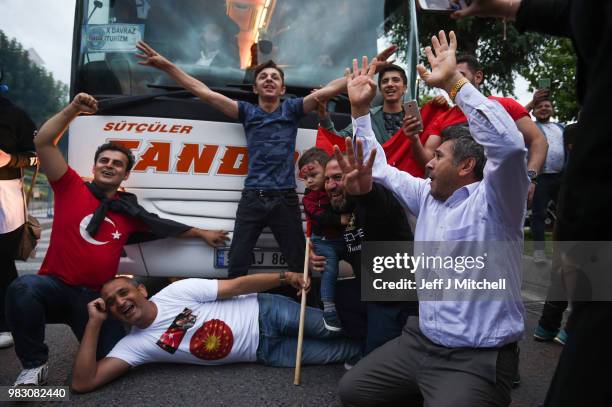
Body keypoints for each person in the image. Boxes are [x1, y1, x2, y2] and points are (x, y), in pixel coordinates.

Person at [337, 31, 528, 406]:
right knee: (353, 392)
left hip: (476, 358)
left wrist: (455, 84)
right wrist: (360, 111)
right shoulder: (427, 196)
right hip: (420, 342)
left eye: (438, 156)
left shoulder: (498, 203)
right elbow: (378, 168)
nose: (428, 161)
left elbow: (510, 146)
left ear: (467, 165)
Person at [6, 93, 229, 386]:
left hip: (98, 298)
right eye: (104, 161)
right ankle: (34, 365)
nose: (109, 165)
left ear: (125, 173)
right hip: (55, 286)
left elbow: (162, 226)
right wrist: (73, 110)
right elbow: (43, 142)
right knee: (23, 287)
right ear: (96, 166)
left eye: (117, 163)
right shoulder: (70, 186)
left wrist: (202, 233)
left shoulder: (128, 210)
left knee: (111, 358)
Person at [450, 4, 611, 406]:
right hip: (462, 216)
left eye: (462, 78)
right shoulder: (440, 110)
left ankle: (506, 359)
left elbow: (522, 144)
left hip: (526, 215)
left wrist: (531, 180)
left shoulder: (504, 106)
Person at [135, 41, 395, 281]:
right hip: (252, 199)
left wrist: (370, 68)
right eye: (263, 77)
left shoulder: (291, 109)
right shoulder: (246, 111)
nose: (269, 79)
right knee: (236, 266)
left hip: (284, 199)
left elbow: (330, 88)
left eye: (275, 77)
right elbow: (204, 93)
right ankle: (236, 315)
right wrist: (166, 65)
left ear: (282, 89)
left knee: (300, 265)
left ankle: (314, 316)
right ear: (255, 88)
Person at [70, 273, 361, 393]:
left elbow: (236, 286)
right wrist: (94, 323)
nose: (120, 302)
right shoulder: (134, 345)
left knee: (335, 327)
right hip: (266, 353)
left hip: (266, 312)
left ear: (141, 290)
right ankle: (390, 354)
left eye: (124, 292)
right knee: (346, 351)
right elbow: (83, 383)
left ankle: (394, 327)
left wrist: (285, 277)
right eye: (111, 303)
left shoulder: (176, 291)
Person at [425, 54, 547, 206]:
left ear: (478, 77)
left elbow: (538, 140)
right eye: (449, 75)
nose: (452, 80)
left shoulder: (505, 106)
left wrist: (530, 178)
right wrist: (413, 138)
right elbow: (428, 155)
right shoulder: (443, 118)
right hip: (452, 200)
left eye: (458, 76)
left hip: (499, 197)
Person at [319, 64, 447, 177]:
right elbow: (337, 139)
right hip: (375, 186)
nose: (390, 84)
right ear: (380, 88)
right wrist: (324, 116)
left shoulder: (418, 117)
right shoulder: (366, 117)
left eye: (395, 80)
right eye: (385, 81)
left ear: (404, 88)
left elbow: (431, 160)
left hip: (410, 189)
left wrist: (442, 105)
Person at [0, 92, 37, 349]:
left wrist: (10, 159)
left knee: (2, 266)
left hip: (4, 201)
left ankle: (7, 324)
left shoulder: (14, 115)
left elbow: (38, 157)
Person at [298, 147, 346, 331]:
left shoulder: (333, 188)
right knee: (330, 266)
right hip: (323, 241)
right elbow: (319, 217)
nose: (309, 181)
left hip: (342, 239)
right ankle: (328, 307)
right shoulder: (309, 198)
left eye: (314, 175)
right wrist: (339, 219)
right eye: (306, 177)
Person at [525, 95, 566, 263]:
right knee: (538, 215)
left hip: (561, 177)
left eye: (547, 105)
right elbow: (515, 120)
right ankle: (539, 252)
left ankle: (564, 253)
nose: (544, 108)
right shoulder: (529, 128)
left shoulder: (561, 127)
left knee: (565, 214)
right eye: (539, 106)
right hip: (540, 178)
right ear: (534, 111)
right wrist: (531, 102)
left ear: (552, 109)